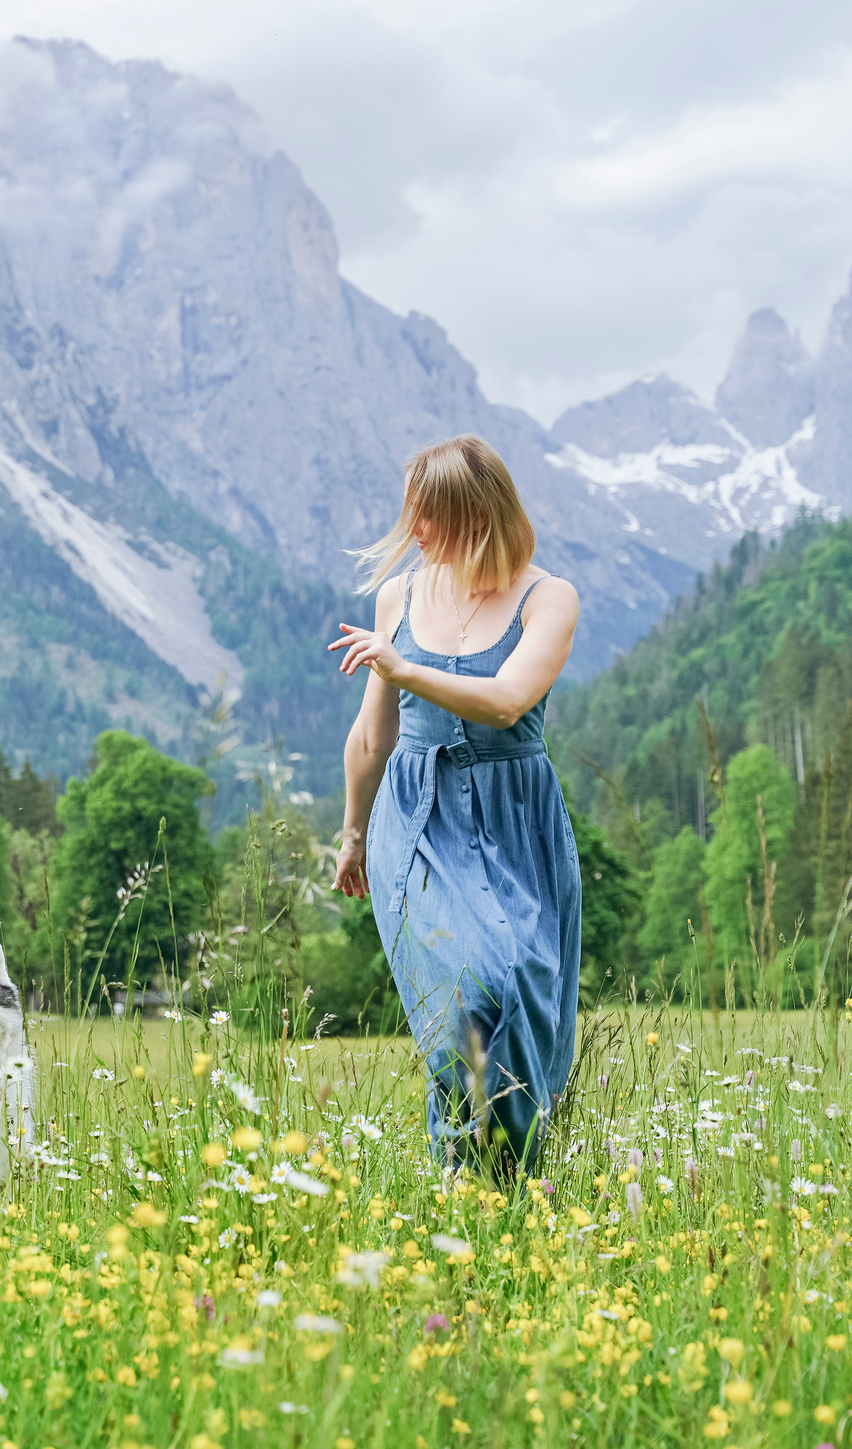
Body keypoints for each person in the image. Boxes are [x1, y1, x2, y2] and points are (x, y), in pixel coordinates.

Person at [328, 435, 581, 1173]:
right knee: (466, 991)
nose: (415, 531)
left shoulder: (549, 597)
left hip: (517, 816)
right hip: (419, 817)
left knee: (526, 981)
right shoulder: (399, 597)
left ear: (474, 513)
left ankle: (507, 1168)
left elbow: (506, 702)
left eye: (428, 515)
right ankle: (461, 1172)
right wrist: (350, 833)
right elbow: (372, 733)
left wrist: (406, 666)